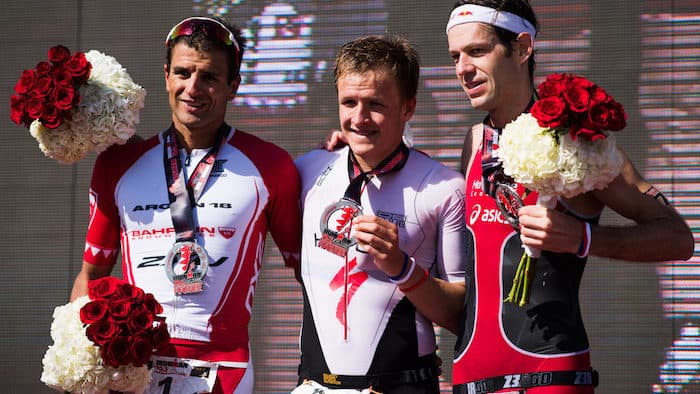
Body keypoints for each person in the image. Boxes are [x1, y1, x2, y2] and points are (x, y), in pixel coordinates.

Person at [445, 1, 695, 393]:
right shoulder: (474, 141)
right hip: (471, 379)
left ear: (523, 47)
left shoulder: (576, 140)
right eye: (455, 56)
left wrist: (583, 238)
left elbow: (678, 238)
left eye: (477, 51)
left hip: (551, 378)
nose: (462, 69)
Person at [69, 16, 302, 393]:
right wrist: (76, 359)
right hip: (132, 368)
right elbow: (91, 276)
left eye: (209, 77)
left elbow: (310, 270)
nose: (193, 88)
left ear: (233, 86)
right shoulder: (118, 163)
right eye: (183, 73)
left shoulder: (271, 165)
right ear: (166, 76)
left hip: (224, 372)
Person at [293, 35, 468, 394]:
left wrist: (402, 267)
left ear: (408, 108)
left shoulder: (445, 187)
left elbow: (460, 315)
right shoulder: (306, 171)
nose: (359, 118)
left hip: (401, 386)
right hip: (313, 385)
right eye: (349, 102)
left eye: (375, 104)